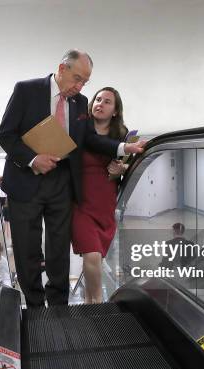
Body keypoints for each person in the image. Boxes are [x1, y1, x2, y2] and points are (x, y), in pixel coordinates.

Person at [0, 49, 145, 307]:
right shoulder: (26, 90)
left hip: (61, 184)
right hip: (26, 182)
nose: (80, 87)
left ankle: (58, 306)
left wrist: (122, 148)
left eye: (85, 82)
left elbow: (89, 139)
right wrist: (33, 159)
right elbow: (5, 135)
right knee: (27, 248)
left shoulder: (79, 103)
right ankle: (34, 306)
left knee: (58, 250)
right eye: (77, 79)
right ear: (62, 69)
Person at [71, 87, 129, 304]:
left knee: (93, 259)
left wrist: (121, 171)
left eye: (107, 102)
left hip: (105, 205)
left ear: (115, 111)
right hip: (81, 204)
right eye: (98, 99)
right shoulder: (78, 130)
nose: (100, 104)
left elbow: (127, 169)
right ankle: (97, 303)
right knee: (92, 255)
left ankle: (88, 302)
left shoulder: (122, 136)